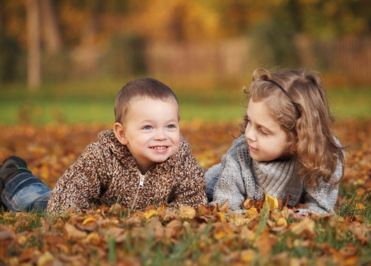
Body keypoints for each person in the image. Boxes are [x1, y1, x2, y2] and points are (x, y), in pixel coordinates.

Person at [0, 78, 208, 215]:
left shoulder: (183, 163)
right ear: (122, 134)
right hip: (81, 205)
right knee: (34, 202)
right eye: (148, 127)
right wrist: (82, 217)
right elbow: (73, 189)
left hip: (135, 214)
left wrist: (159, 216)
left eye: (170, 126)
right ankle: (14, 175)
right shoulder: (102, 156)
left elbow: (194, 202)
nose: (162, 136)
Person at [205, 68, 345, 214]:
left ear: (298, 136)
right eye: (249, 121)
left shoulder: (323, 156)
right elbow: (223, 208)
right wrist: (266, 215)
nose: (249, 135)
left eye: (263, 131)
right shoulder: (238, 156)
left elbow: (322, 208)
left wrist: (300, 215)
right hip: (214, 179)